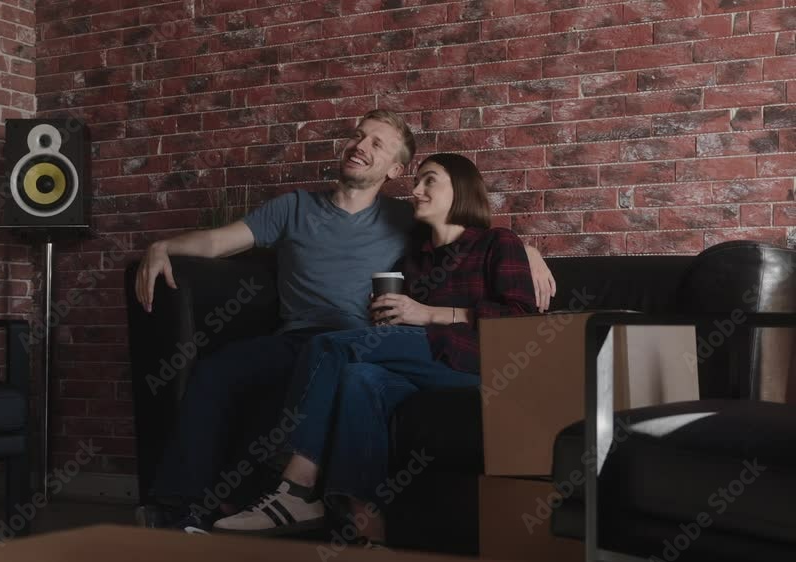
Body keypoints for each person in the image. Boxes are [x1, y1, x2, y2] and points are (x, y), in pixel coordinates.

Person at [134, 110, 554, 533]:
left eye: (377, 143)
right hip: (312, 340)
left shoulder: (404, 220)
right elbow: (216, 240)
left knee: (343, 359)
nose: (361, 146)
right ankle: (188, 509)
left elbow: (476, 244)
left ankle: (295, 491)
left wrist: (527, 252)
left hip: (367, 340)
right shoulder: (309, 212)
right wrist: (162, 247)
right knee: (234, 370)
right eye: (358, 136)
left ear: (394, 169)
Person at [210, 153, 537, 546]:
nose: (416, 191)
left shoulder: (496, 242)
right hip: (424, 364)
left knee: (329, 346)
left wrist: (428, 314)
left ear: (461, 188)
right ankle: (369, 530)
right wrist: (387, 320)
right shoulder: (413, 262)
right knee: (359, 376)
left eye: (429, 180)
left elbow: (520, 320)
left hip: (478, 364)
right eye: (416, 181)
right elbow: (403, 332)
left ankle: (296, 487)